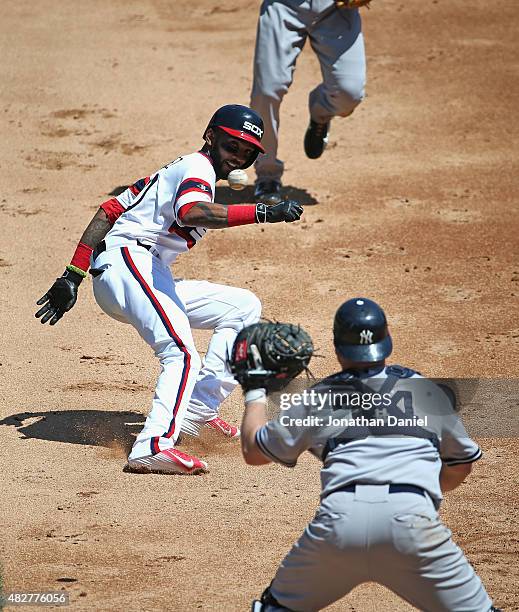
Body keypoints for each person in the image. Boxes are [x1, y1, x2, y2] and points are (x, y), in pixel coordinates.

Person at [35, 104, 303, 475]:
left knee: (241, 308)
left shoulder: (179, 170)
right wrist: (261, 212)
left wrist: (74, 272)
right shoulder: (198, 168)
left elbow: (110, 208)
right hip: (131, 263)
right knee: (182, 353)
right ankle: (152, 446)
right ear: (211, 136)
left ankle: (195, 411)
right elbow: (191, 213)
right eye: (231, 146)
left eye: (246, 153)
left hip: (142, 270)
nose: (237, 158)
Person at [239, 298, 500, 611]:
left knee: (278, 608)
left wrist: (253, 390)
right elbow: (462, 464)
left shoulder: (318, 398)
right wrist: (417, 491)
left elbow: (254, 452)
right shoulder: (425, 390)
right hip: (413, 523)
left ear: (337, 348)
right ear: (386, 342)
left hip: (339, 524)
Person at [250, 0, 367, 204]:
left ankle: (320, 111)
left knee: (349, 94)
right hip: (283, 5)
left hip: (336, 8)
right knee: (267, 91)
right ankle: (267, 174)